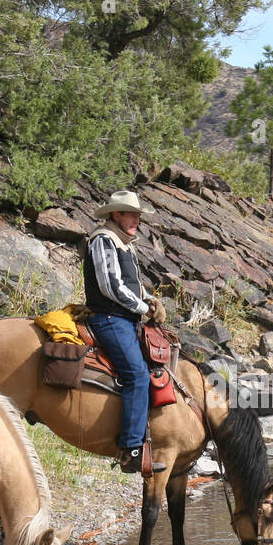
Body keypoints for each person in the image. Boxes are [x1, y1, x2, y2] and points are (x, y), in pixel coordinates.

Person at [83, 189, 168, 474]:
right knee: (137, 376)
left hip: (124, 318)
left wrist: (152, 300)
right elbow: (111, 286)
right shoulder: (103, 240)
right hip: (110, 319)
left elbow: (132, 284)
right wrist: (143, 308)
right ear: (116, 214)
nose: (137, 220)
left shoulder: (124, 243)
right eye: (132, 215)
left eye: (138, 216)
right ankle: (131, 450)